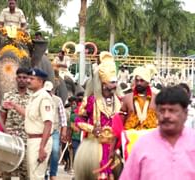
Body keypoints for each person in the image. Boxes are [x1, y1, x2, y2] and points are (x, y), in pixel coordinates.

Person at [120, 86, 195, 180]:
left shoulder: (193, 142)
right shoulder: (143, 145)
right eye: (162, 111)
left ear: (185, 113)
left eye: (172, 111)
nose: (166, 116)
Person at [74, 51, 122, 179]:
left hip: (114, 148)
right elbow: (78, 120)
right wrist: (92, 129)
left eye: (116, 82)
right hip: (94, 147)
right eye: (112, 82)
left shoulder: (120, 101)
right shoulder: (91, 100)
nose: (115, 85)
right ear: (103, 84)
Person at [3, 68, 54, 179]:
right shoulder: (34, 97)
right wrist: (15, 106)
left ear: (40, 82)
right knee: (32, 175)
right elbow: (29, 115)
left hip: (39, 141)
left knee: (36, 176)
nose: (28, 81)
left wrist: (42, 148)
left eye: (32, 78)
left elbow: (48, 123)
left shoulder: (44, 98)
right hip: (32, 140)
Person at [0, 67, 31, 180]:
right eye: (19, 77)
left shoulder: (33, 97)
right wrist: (3, 132)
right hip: (10, 139)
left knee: (26, 173)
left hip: (27, 139)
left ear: (28, 79)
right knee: (6, 171)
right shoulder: (8, 95)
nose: (22, 79)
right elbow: (2, 116)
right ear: (16, 78)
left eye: (24, 77)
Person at [43, 81, 67, 180]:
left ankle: (53, 173)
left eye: (49, 91)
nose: (48, 93)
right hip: (43, 131)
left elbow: (63, 117)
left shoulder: (58, 100)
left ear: (53, 91)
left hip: (55, 131)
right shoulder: (41, 100)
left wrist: (64, 131)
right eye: (46, 91)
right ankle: (44, 173)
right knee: (43, 152)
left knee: (55, 151)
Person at [121, 66, 158, 130]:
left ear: (147, 82)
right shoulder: (127, 98)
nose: (138, 83)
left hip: (151, 137)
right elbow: (121, 122)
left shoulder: (156, 98)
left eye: (142, 80)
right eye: (137, 80)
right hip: (131, 137)